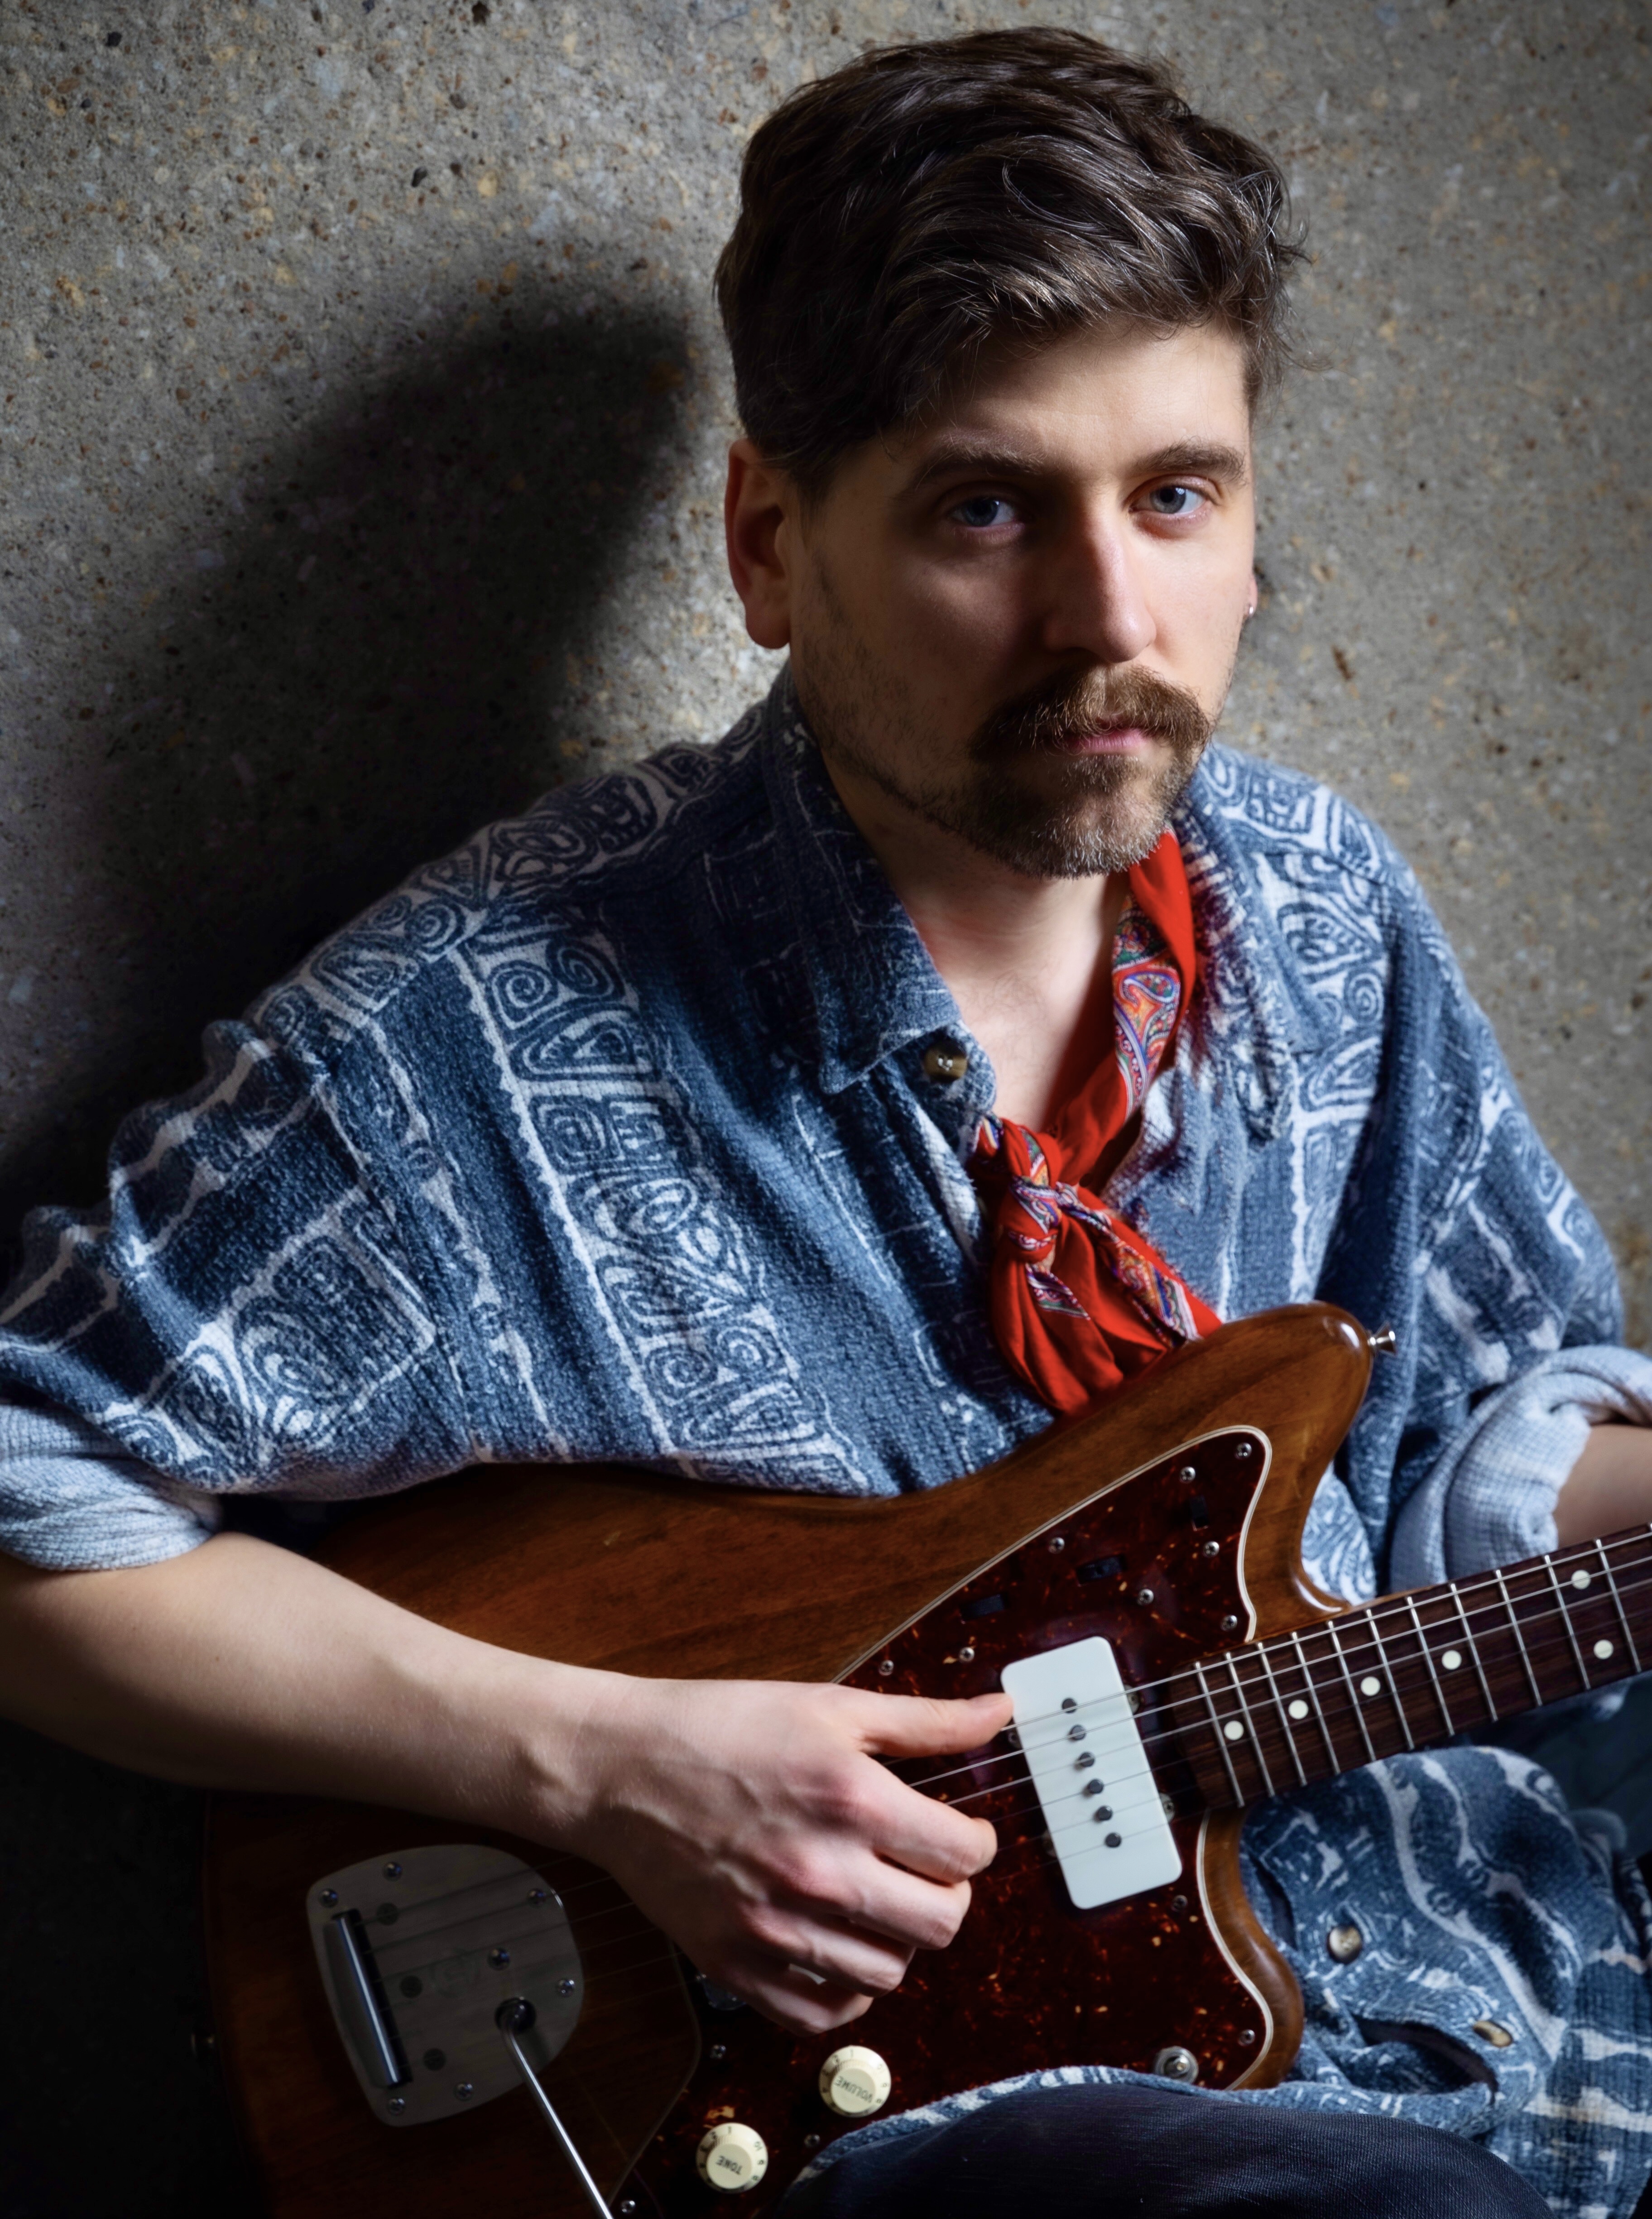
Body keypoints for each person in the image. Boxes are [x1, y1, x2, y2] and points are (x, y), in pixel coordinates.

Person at [1, 27, 1650, 2218]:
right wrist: (602, 1769)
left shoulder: (1322, 910)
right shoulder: (475, 1037)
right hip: (941, 2116)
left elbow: (1461, 1442)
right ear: (771, 546)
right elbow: (25, 1491)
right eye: (987, 508)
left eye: (1177, 495)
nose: (1111, 618)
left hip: (1467, 1962)